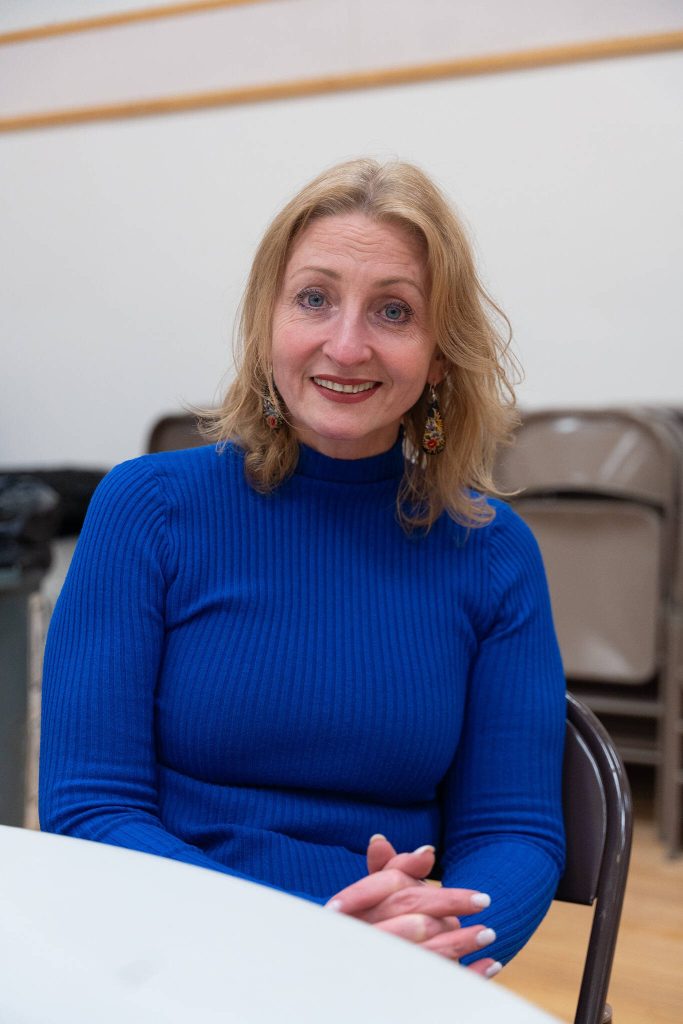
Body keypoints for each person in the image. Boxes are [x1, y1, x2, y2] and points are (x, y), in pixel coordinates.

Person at [39, 158, 565, 979]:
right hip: (161, 946)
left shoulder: (492, 552)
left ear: (437, 355)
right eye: (314, 298)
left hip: (388, 971)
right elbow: (90, 806)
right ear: (266, 322)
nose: (346, 345)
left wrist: (436, 934)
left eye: (393, 311)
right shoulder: (146, 509)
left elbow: (515, 832)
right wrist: (297, 943)